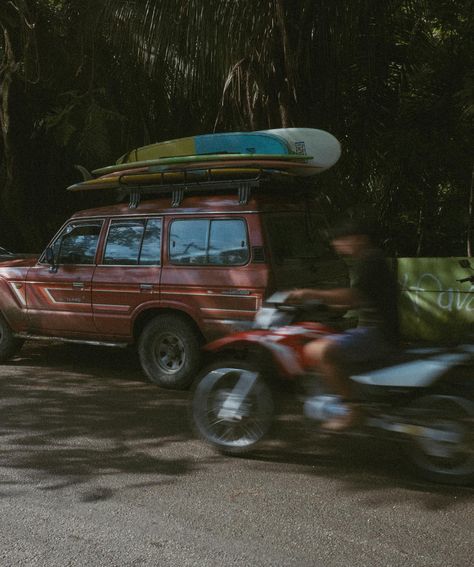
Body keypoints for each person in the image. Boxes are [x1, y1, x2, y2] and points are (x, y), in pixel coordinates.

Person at [288, 218, 399, 431]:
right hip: (374, 330)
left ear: (359, 239)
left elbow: (352, 297)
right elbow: (358, 299)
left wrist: (310, 293)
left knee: (319, 350)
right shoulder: (368, 260)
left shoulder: (370, 259)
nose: (336, 244)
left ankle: (354, 409)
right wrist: (321, 304)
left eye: (342, 239)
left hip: (378, 334)